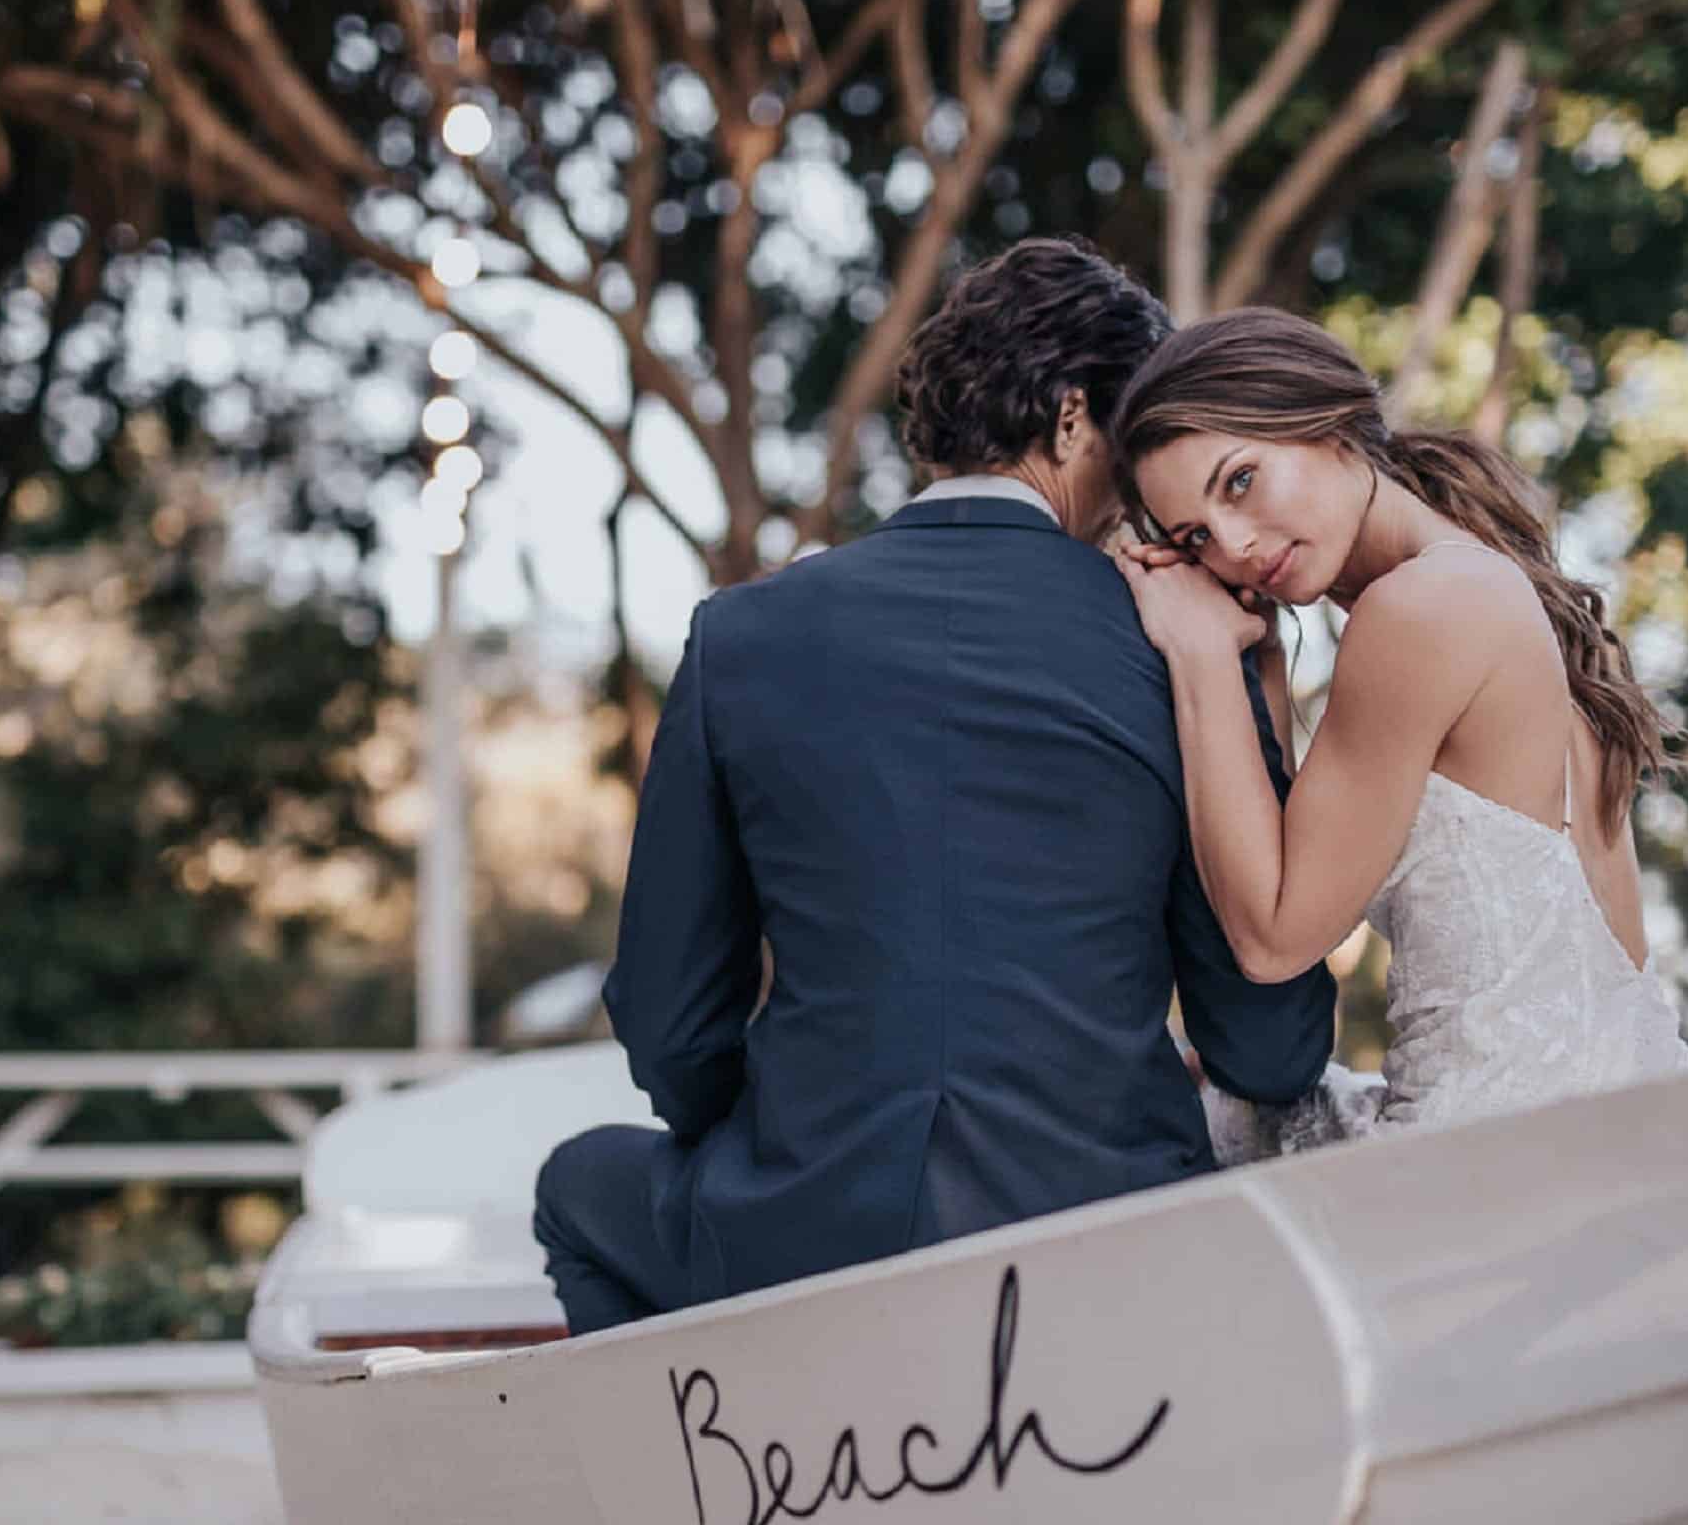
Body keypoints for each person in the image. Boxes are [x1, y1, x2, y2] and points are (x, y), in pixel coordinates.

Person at [533, 238, 1336, 1336]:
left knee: (578, 1189)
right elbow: (1267, 1046)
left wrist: (783, 1138)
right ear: (1067, 416)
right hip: (1104, 1235)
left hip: (803, 1234)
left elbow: (667, 1016)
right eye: (1127, 437)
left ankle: (722, 1485)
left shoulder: (740, 635)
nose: (1142, 501)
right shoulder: (1178, 641)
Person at [1108, 304, 1688, 1159]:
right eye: (1195, 538)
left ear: (1328, 422)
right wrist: (1257, 663)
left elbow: (1271, 939)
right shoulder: (1487, 585)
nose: (1231, 544)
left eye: (1239, 481)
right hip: (1612, 1136)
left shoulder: (1419, 607)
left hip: (1501, 1169)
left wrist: (1195, 655)